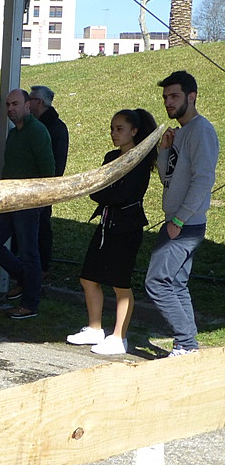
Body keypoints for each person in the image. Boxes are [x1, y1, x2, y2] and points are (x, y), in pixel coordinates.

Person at [66, 109, 158, 355]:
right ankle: (95, 329)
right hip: (107, 223)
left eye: (120, 129)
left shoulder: (140, 160)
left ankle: (119, 337)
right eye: (112, 128)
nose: (114, 134)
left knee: (120, 284)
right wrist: (105, 194)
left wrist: (105, 194)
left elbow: (119, 194)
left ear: (134, 131)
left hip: (127, 227)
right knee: (88, 277)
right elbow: (96, 190)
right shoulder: (110, 156)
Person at [145, 71, 219, 357]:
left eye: (174, 96)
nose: (168, 102)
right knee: (176, 283)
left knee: (157, 282)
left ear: (192, 96)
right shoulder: (180, 133)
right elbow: (169, 177)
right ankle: (188, 347)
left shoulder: (201, 130)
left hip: (184, 224)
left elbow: (204, 180)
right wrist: (164, 150)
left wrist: (179, 219)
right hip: (177, 221)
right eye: (165, 97)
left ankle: (186, 343)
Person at [0, 89, 55, 319]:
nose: (10, 109)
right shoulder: (14, 134)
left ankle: (30, 304)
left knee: (28, 252)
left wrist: (40, 200)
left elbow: (48, 169)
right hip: (9, 202)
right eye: (7, 105)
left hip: (28, 203)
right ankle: (26, 280)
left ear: (28, 105)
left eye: (15, 104)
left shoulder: (37, 131)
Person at [28, 85, 69, 279]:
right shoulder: (45, 125)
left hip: (44, 187)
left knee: (41, 226)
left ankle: (42, 268)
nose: (28, 102)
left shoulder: (53, 128)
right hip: (37, 186)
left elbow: (57, 162)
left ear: (39, 102)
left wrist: (50, 186)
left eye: (31, 98)